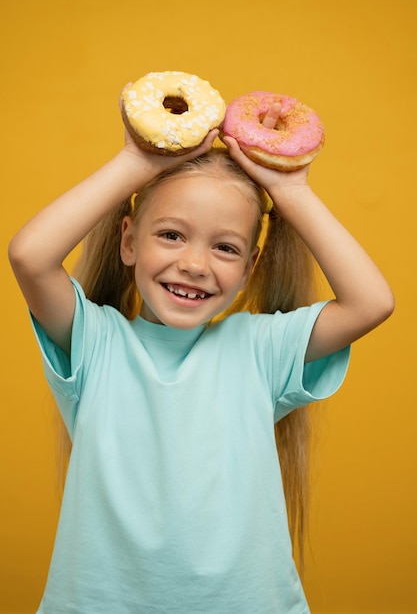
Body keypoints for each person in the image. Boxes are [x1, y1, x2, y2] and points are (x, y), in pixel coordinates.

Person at [8, 94, 394, 614]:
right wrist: (137, 163)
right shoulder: (95, 342)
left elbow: (372, 302)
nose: (194, 264)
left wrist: (289, 187)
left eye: (225, 247)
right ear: (129, 242)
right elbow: (29, 256)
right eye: (171, 235)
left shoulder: (260, 350)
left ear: (250, 266)